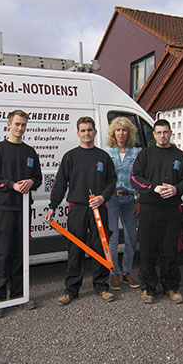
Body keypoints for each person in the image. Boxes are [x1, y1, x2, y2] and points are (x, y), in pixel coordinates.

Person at [45, 116, 117, 306]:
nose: (86, 133)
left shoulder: (103, 157)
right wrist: (52, 206)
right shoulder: (70, 156)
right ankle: (71, 290)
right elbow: (60, 184)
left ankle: (102, 286)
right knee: (75, 249)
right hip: (77, 209)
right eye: (83, 130)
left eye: (89, 130)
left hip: (98, 208)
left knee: (100, 247)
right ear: (78, 133)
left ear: (94, 132)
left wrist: (103, 197)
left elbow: (112, 181)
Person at [0, 109, 42, 319]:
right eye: (17, 124)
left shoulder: (29, 152)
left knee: (21, 253)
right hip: (6, 209)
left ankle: (20, 295)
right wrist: (11, 185)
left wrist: (31, 182)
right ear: (8, 124)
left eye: (24, 125)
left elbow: (38, 178)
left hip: (24, 209)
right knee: (3, 254)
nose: (20, 128)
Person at [131, 119, 183, 304]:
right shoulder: (145, 154)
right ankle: (148, 288)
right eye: (158, 132)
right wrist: (153, 188)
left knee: (170, 248)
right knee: (148, 248)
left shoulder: (180, 156)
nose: (162, 136)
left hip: (171, 209)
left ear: (170, 133)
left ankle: (171, 287)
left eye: (165, 132)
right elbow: (135, 178)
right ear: (153, 134)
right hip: (149, 208)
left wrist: (176, 189)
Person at [104, 116, 141, 290]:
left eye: (124, 130)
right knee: (112, 238)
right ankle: (114, 273)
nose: (121, 133)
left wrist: (140, 197)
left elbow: (141, 176)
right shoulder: (107, 152)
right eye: (118, 130)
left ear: (129, 133)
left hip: (129, 198)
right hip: (111, 198)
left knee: (131, 238)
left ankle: (127, 272)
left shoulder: (136, 153)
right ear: (113, 132)